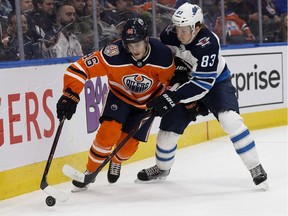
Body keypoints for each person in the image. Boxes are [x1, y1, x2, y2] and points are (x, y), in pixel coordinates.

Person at [136, 3, 268, 190]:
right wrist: (176, 74)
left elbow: (202, 84)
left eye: (184, 30)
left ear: (197, 27)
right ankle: (162, 168)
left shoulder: (208, 43)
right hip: (185, 84)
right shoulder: (169, 34)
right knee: (166, 133)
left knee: (231, 120)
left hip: (215, 85)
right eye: (177, 29)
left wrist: (172, 97)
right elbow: (167, 57)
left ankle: (255, 166)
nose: (179, 34)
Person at [56, 17, 176, 191]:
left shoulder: (163, 56)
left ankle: (116, 160)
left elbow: (172, 85)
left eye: (138, 44)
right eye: (129, 45)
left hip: (146, 106)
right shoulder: (114, 52)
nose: (134, 49)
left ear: (146, 40)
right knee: (107, 133)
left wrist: (167, 99)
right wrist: (70, 95)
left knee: (126, 150)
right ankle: (89, 172)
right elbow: (80, 68)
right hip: (119, 97)